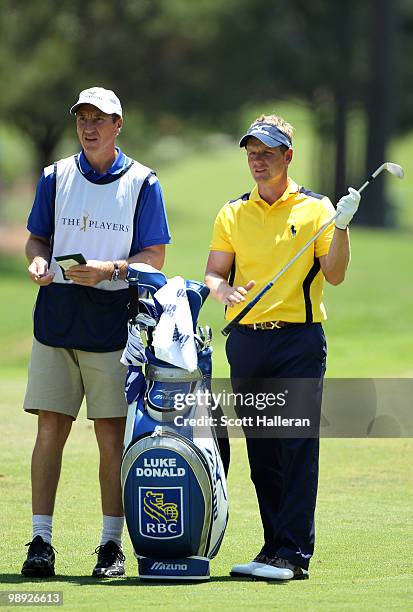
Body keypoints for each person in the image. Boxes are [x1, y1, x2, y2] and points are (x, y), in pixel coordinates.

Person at [21, 87, 171, 578]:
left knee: (111, 437)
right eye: (83, 118)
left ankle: (111, 546)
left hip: (112, 322)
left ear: (117, 125)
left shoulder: (144, 182)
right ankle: (41, 540)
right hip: (57, 318)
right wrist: (39, 259)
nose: (89, 127)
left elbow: (154, 257)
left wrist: (110, 269)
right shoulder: (55, 176)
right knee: (50, 431)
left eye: (99, 119)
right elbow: (37, 238)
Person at [204, 114, 360, 581]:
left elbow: (334, 274)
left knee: (295, 444)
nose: (258, 160)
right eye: (252, 152)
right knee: (262, 450)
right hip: (248, 342)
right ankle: (273, 548)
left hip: (297, 340)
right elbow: (214, 272)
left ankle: (294, 553)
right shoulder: (233, 212)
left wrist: (344, 228)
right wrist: (221, 291)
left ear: (287, 156)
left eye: (268, 152)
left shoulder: (316, 209)